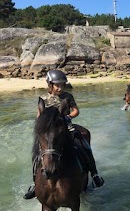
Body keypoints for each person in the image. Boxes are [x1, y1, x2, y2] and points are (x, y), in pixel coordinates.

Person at [23, 69, 104, 200]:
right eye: (57, 85)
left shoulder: (68, 97)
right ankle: (34, 183)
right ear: (50, 84)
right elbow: (40, 116)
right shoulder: (43, 99)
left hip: (66, 128)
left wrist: (67, 117)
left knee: (84, 146)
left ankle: (94, 174)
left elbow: (76, 111)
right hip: (49, 131)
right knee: (37, 154)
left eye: (62, 85)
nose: (60, 88)